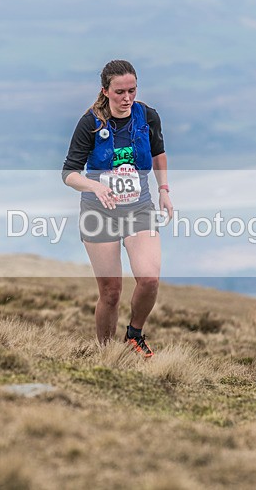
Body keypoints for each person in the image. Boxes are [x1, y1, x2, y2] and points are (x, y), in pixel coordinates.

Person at [62, 60, 173, 358]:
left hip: (139, 209)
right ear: (105, 91)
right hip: (100, 213)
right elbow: (69, 173)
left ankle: (134, 335)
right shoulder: (91, 122)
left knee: (149, 279)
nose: (127, 98)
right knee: (111, 293)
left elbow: (159, 153)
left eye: (132, 91)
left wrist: (164, 191)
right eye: (120, 92)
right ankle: (106, 355)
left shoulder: (147, 116)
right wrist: (95, 186)